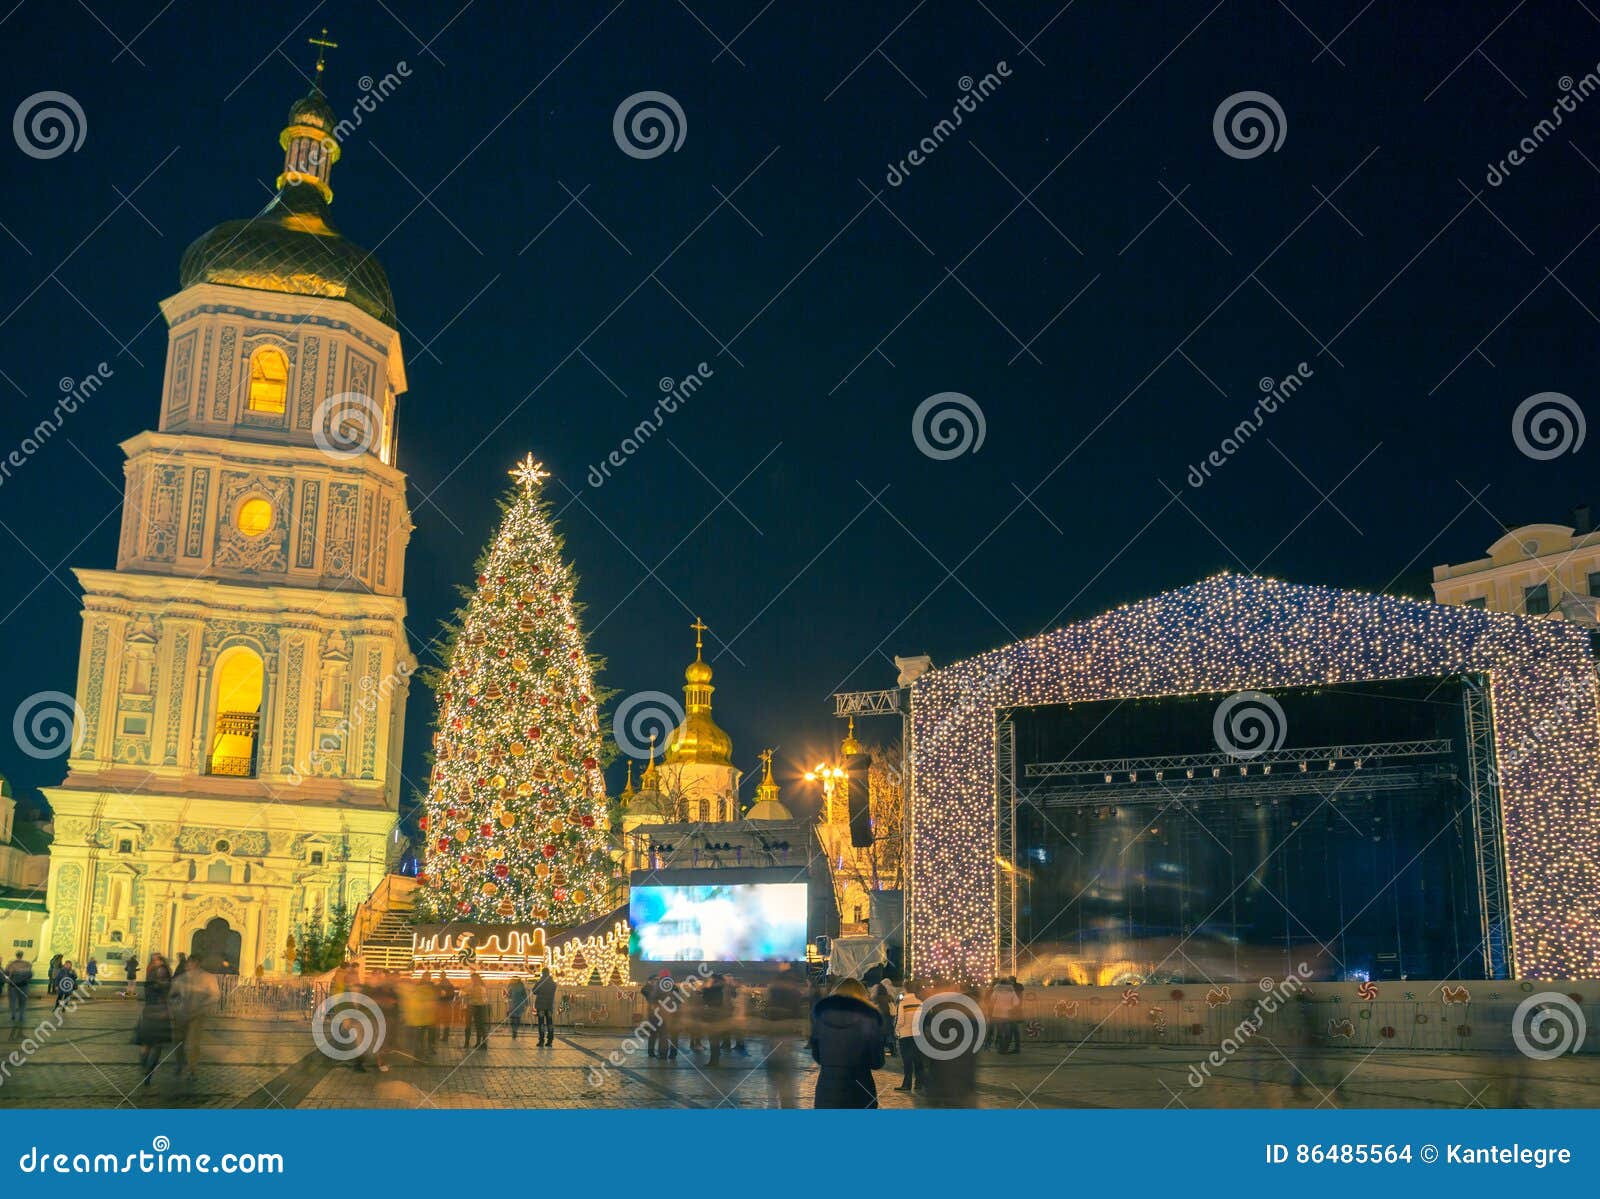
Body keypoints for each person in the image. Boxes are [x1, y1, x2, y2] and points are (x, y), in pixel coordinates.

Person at [809, 978, 886, 1109]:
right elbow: (877, 1062)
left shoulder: (821, 1016)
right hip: (861, 1091)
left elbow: (817, 1056)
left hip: (827, 1090)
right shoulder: (870, 1019)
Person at [168, 959, 218, 1081]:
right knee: (178, 1041)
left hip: (198, 1015)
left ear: (198, 965)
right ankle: (180, 1063)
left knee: (193, 1043)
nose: (190, 966)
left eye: (193, 964)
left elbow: (215, 995)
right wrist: (175, 1007)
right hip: (181, 1014)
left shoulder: (208, 977)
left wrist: (203, 1005)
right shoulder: (181, 978)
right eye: (189, 964)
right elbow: (172, 995)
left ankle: (192, 1069)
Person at [135, 953, 174, 1087]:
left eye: (158, 961)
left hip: (156, 1014)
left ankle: (148, 1071)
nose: (156, 963)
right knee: (149, 1045)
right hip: (155, 1014)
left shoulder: (154, 982)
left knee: (154, 1046)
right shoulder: (156, 982)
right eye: (154, 961)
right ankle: (146, 1068)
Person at [894, 980, 925, 1091]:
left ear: (905, 988)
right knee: (918, 1060)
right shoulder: (920, 1002)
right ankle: (919, 1084)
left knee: (907, 1061)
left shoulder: (903, 1003)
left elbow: (900, 1020)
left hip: (905, 1035)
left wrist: (896, 1030)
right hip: (917, 1035)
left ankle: (907, 1084)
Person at [5, 951, 32, 1040]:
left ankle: (13, 1014)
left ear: (16, 955)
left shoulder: (11, 964)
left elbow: (6, 974)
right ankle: (21, 1015)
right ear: (22, 955)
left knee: (12, 1001)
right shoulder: (27, 964)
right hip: (24, 986)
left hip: (13, 986)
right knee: (22, 1002)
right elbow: (30, 975)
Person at [992, 976, 1021, 1053]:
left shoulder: (996, 991)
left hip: (997, 1014)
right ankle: (1004, 1049)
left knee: (1000, 1032)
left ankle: (1000, 1049)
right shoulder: (1011, 991)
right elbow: (1016, 1002)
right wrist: (1010, 1006)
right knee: (1007, 1033)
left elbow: (992, 1000)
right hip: (1007, 1014)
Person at [464, 971, 490, 1050]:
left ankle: (473, 1042)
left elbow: (466, 994)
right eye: (472, 978)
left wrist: (468, 995)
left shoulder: (477, 987)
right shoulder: (481, 986)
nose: (473, 979)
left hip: (475, 1006)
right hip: (479, 1007)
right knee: (478, 1025)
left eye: (474, 978)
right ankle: (477, 1043)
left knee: (476, 1025)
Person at [533, 967, 556, 1046]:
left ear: (542, 973)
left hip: (541, 1006)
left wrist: (538, 982)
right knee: (550, 1023)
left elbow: (534, 991)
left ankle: (541, 1040)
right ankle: (550, 1040)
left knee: (541, 1023)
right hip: (549, 1006)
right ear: (549, 973)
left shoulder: (540, 982)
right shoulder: (553, 983)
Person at [507, 975, 529, 1041]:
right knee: (517, 1018)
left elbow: (508, 995)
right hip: (519, 1004)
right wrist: (526, 1003)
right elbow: (525, 995)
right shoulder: (521, 986)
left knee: (513, 1018)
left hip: (512, 1004)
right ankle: (515, 1030)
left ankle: (514, 1030)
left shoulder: (510, 985)